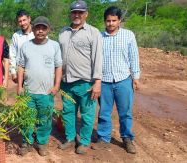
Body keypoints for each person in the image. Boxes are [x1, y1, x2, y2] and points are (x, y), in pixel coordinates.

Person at [93, 6, 140, 154]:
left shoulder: (128, 35)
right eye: (108, 21)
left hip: (123, 80)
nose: (111, 24)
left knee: (125, 112)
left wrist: (136, 77)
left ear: (119, 20)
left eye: (114, 20)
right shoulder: (99, 37)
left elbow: (134, 57)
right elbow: (94, 60)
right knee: (104, 112)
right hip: (105, 80)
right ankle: (103, 138)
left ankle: (127, 138)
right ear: (104, 21)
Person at [58, 0, 103, 155]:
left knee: (87, 114)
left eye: (80, 12)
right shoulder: (63, 32)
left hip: (86, 83)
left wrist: (97, 82)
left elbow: (98, 58)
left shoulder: (93, 32)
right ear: (70, 13)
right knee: (68, 112)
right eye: (74, 12)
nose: (77, 15)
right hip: (66, 82)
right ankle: (70, 139)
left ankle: (84, 141)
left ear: (86, 14)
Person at [17, 16, 62, 156]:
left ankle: (41, 143)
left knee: (45, 118)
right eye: (38, 27)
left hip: (46, 92)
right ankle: (26, 142)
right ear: (33, 29)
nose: (40, 31)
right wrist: (20, 86)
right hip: (29, 91)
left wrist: (56, 86)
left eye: (44, 28)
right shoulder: (26, 46)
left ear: (48, 29)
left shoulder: (54, 45)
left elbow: (58, 66)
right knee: (27, 118)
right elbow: (20, 67)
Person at [9, 9, 34, 83]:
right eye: (20, 21)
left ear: (29, 19)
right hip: (21, 73)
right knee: (22, 93)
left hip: (36, 73)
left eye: (24, 20)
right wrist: (13, 72)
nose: (22, 23)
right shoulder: (16, 36)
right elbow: (12, 55)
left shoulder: (38, 32)